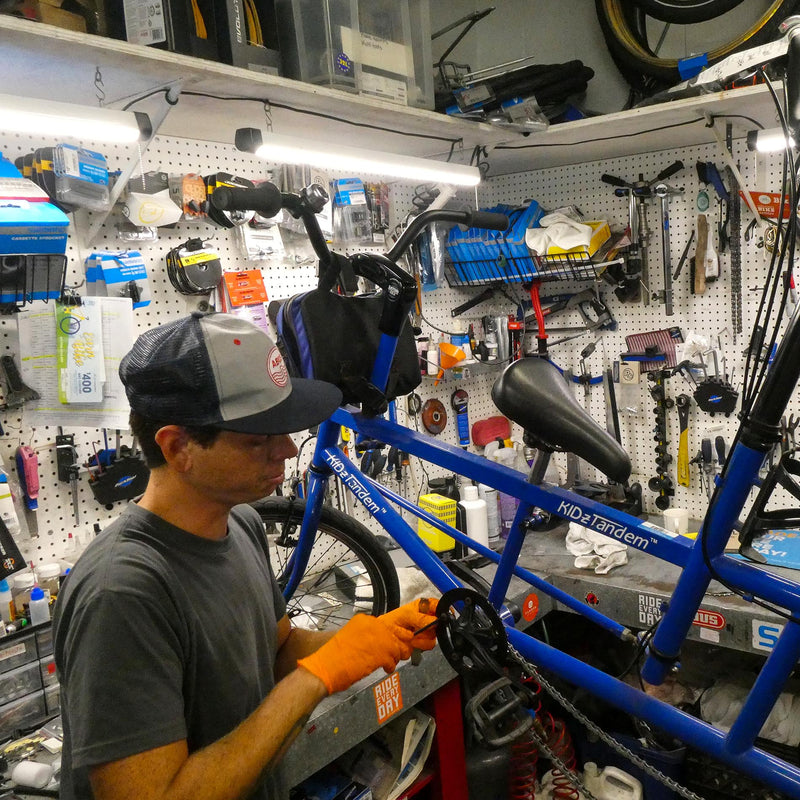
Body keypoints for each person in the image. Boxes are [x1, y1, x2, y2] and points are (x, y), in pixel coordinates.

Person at [53, 312, 439, 800]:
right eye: (257, 439)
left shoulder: (242, 523)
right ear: (178, 448)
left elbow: (274, 651)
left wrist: (361, 642)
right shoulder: (122, 593)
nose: (287, 448)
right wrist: (316, 679)